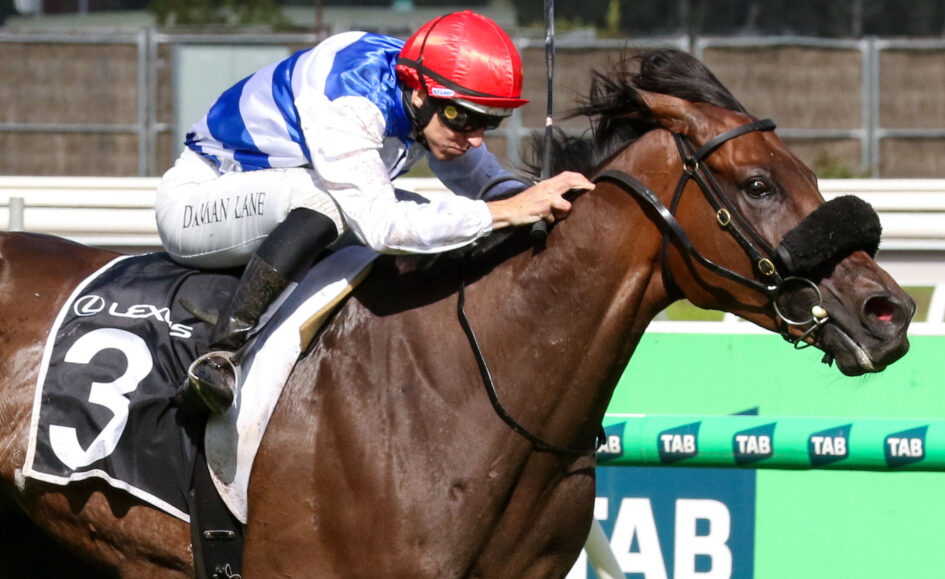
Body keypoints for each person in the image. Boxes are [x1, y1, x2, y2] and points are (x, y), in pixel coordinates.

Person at [155, 10, 594, 415]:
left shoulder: (424, 93)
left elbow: (487, 185)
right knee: (329, 205)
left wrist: (541, 202)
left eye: (488, 122)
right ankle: (221, 356)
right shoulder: (353, 101)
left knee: (435, 216)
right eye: (462, 117)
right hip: (199, 201)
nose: (475, 137)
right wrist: (509, 211)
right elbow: (385, 229)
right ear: (419, 94)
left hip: (272, 198)